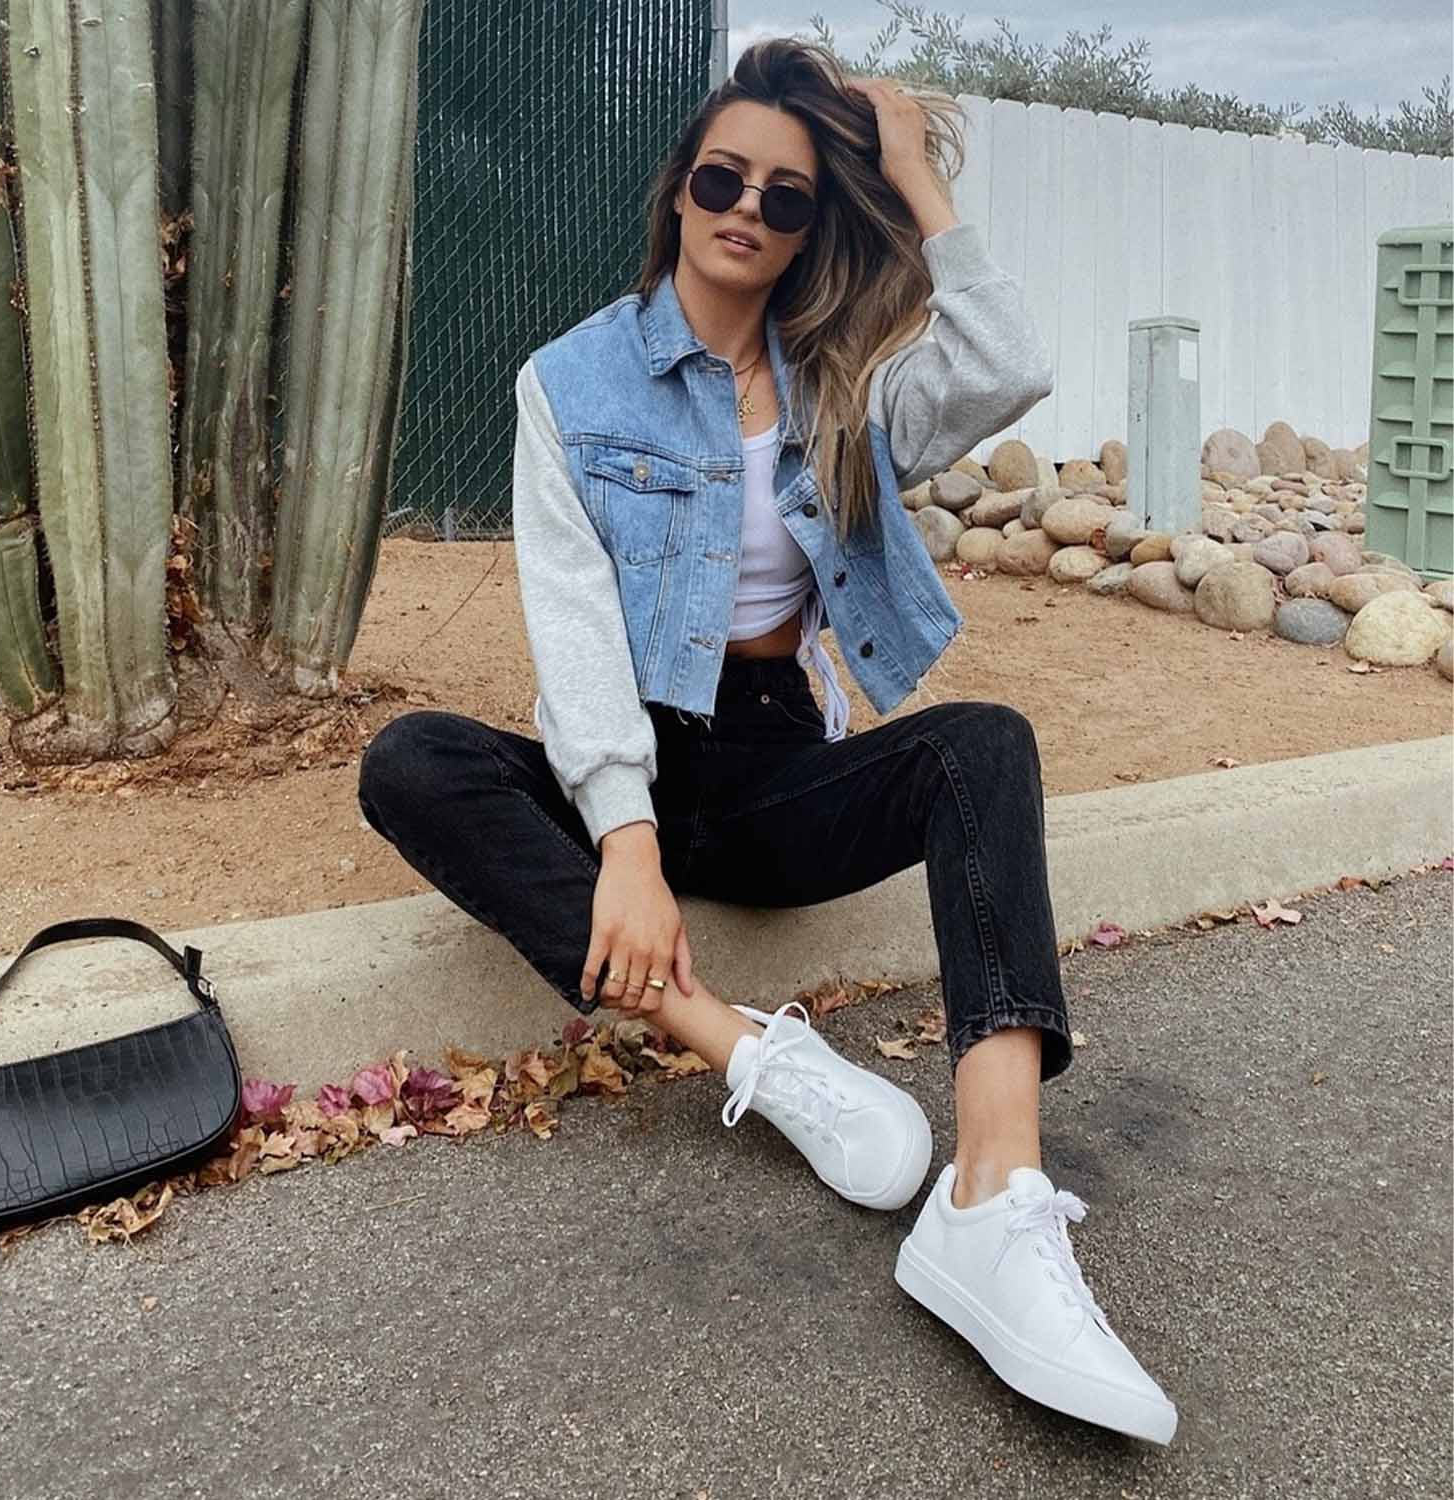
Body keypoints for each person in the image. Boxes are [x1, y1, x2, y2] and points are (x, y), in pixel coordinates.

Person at [358, 39, 1176, 1445]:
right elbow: (571, 629)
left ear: (811, 228)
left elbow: (1010, 364)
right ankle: (748, 1054)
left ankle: (992, 1202)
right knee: (410, 762)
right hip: (628, 755)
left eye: (785, 196)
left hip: (773, 765)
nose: (747, 208)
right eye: (723, 179)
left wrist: (913, 173)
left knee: (984, 746)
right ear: (679, 188)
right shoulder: (571, 382)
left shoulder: (840, 381)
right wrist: (623, 843)